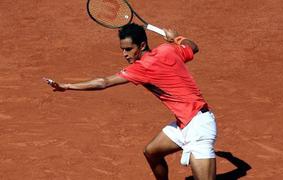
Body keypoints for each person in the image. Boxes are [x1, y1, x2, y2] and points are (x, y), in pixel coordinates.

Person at [44, 23, 217, 180]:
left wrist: (66, 86)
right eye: (122, 49)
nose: (124, 54)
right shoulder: (168, 49)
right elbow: (193, 47)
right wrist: (177, 38)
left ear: (142, 45)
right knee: (152, 152)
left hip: (198, 128)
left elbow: (103, 82)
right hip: (185, 123)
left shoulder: (142, 67)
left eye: (128, 49)